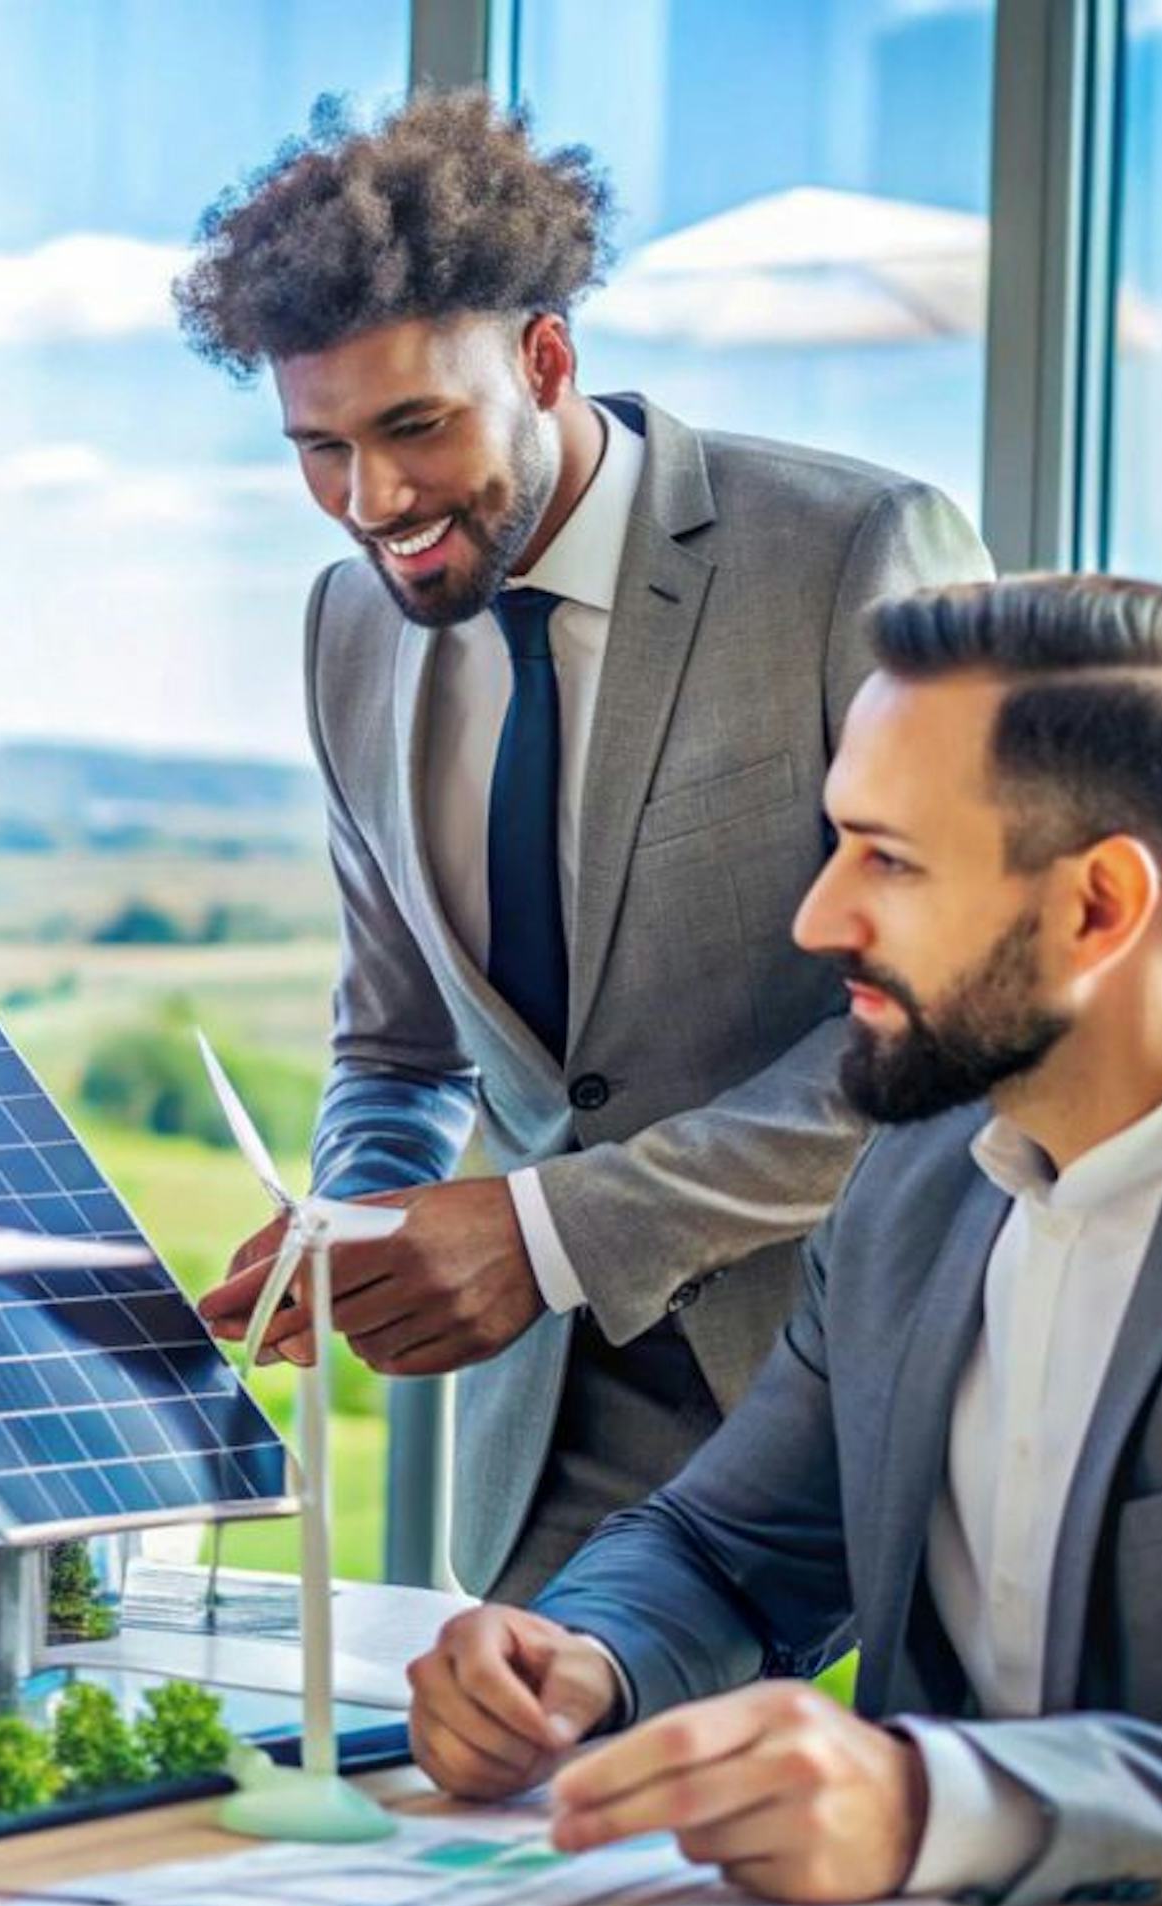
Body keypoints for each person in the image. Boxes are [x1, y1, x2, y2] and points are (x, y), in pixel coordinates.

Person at [408, 576, 1162, 1906]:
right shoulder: (921, 1172)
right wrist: (579, 1656)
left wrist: (928, 1802)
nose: (818, 919)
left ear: (1097, 907)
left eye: (885, 858)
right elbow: (731, 1549)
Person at [169, 93, 994, 1596]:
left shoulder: (851, 554)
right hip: (550, 1433)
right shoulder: (349, 626)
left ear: (548, 358)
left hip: (862, 1381)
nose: (374, 503)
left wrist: (553, 1230)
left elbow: (952, 1017)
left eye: (416, 427)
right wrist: (361, 1216)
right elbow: (401, 1046)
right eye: (321, 449)